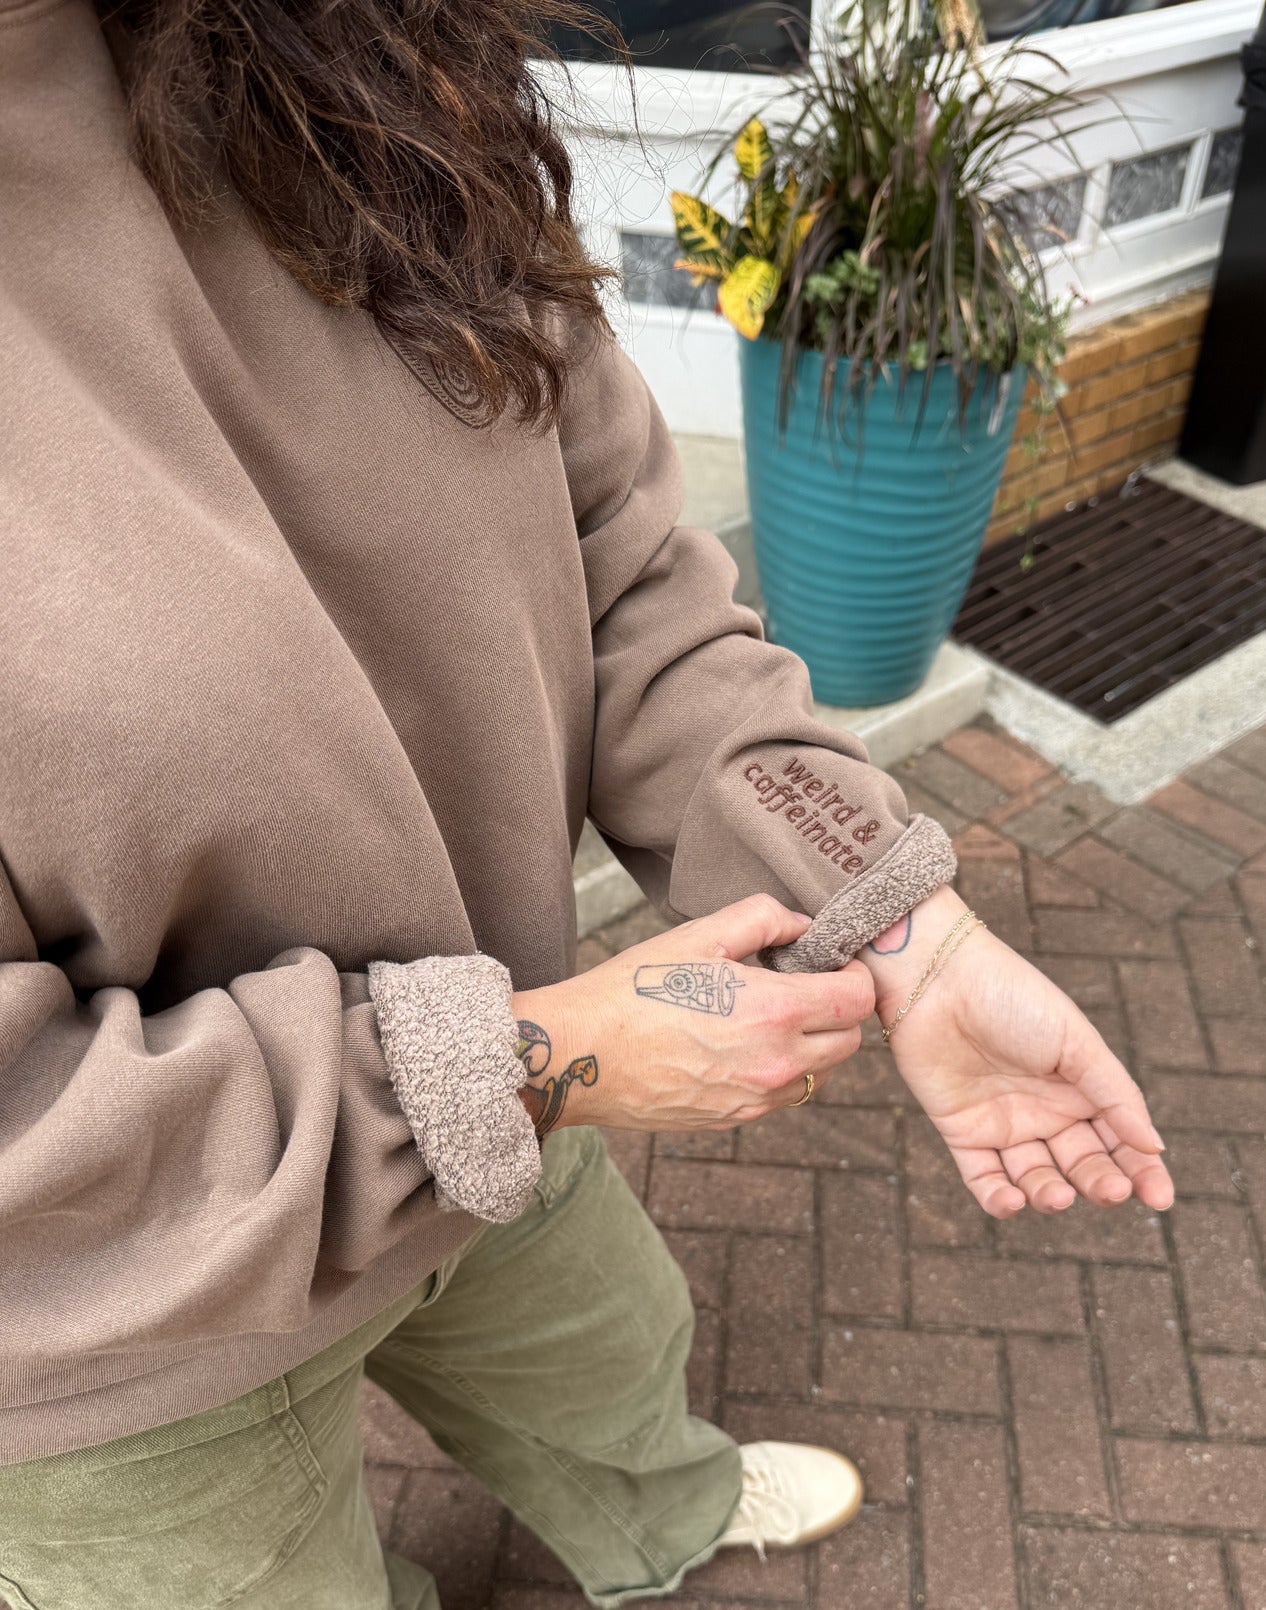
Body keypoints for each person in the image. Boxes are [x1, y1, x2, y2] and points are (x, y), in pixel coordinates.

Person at [0, 3, 1174, 1607]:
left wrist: (895, 917)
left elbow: (614, 566)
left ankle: (665, 1512)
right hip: (116, 1330)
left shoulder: (358, 57)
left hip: (520, 1083)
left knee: (616, 1362)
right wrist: (539, 1061)